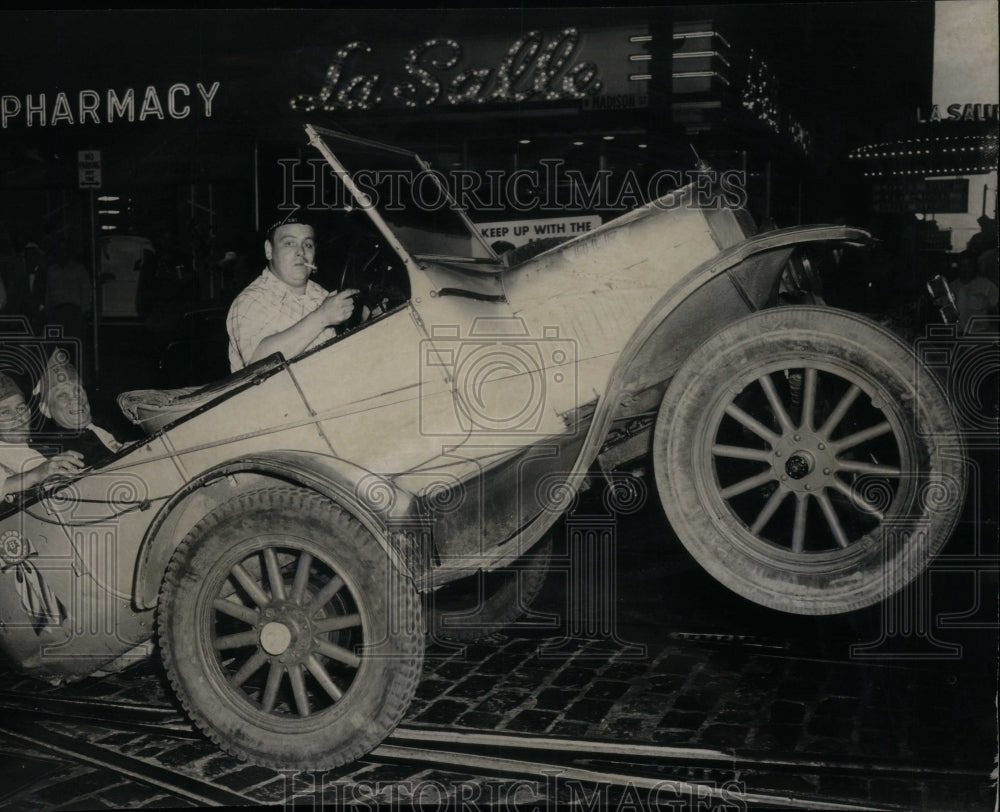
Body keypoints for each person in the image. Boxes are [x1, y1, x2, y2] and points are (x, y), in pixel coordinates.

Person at [226, 214, 358, 371]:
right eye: (289, 243)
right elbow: (258, 369)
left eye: (308, 244)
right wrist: (322, 317)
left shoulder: (321, 294)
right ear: (269, 250)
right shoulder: (250, 301)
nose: (301, 252)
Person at [33, 349, 126, 467]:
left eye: (78, 390)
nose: (75, 398)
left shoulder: (109, 422)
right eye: (62, 395)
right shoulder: (57, 452)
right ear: (45, 409)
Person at [1, 371, 83, 501]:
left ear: (28, 413)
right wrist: (33, 475)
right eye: (5, 412)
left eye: (21, 408)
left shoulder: (40, 449)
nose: (17, 417)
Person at [951, 251, 999, 334]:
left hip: (981, 335)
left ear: (975, 267)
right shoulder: (951, 287)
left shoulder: (987, 286)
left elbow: (996, 311)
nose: (965, 269)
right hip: (957, 335)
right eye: (962, 266)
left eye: (969, 266)